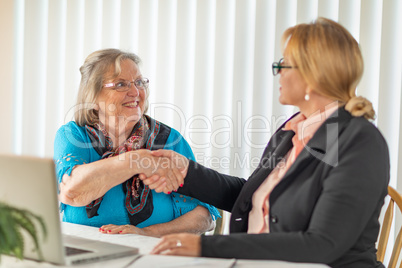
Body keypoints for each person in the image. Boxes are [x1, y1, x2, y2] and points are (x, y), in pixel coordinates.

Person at [146, 18, 390, 267]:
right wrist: (186, 172)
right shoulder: (292, 130)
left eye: (284, 64)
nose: (278, 71)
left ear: (313, 74)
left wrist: (204, 246)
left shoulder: (360, 142)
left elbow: (322, 244)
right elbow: (254, 198)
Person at [54, 48, 219, 237]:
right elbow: (73, 191)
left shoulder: (169, 140)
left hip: (154, 254)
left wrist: (147, 233)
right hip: (85, 253)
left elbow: (204, 217)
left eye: (139, 82)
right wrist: (137, 160)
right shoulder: (74, 136)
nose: (135, 91)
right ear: (93, 97)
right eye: (120, 84)